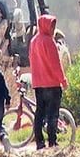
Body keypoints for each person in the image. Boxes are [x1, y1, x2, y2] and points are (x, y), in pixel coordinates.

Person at [29, 13, 68, 149]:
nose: (53, 29)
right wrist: (62, 80)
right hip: (51, 84)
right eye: (51, 26)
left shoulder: (34, 41)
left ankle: (39, 142)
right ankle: (52, 141)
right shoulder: (48, 41)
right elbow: (55, 63)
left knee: (39, 113)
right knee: (52, 114)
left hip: (39, 84)